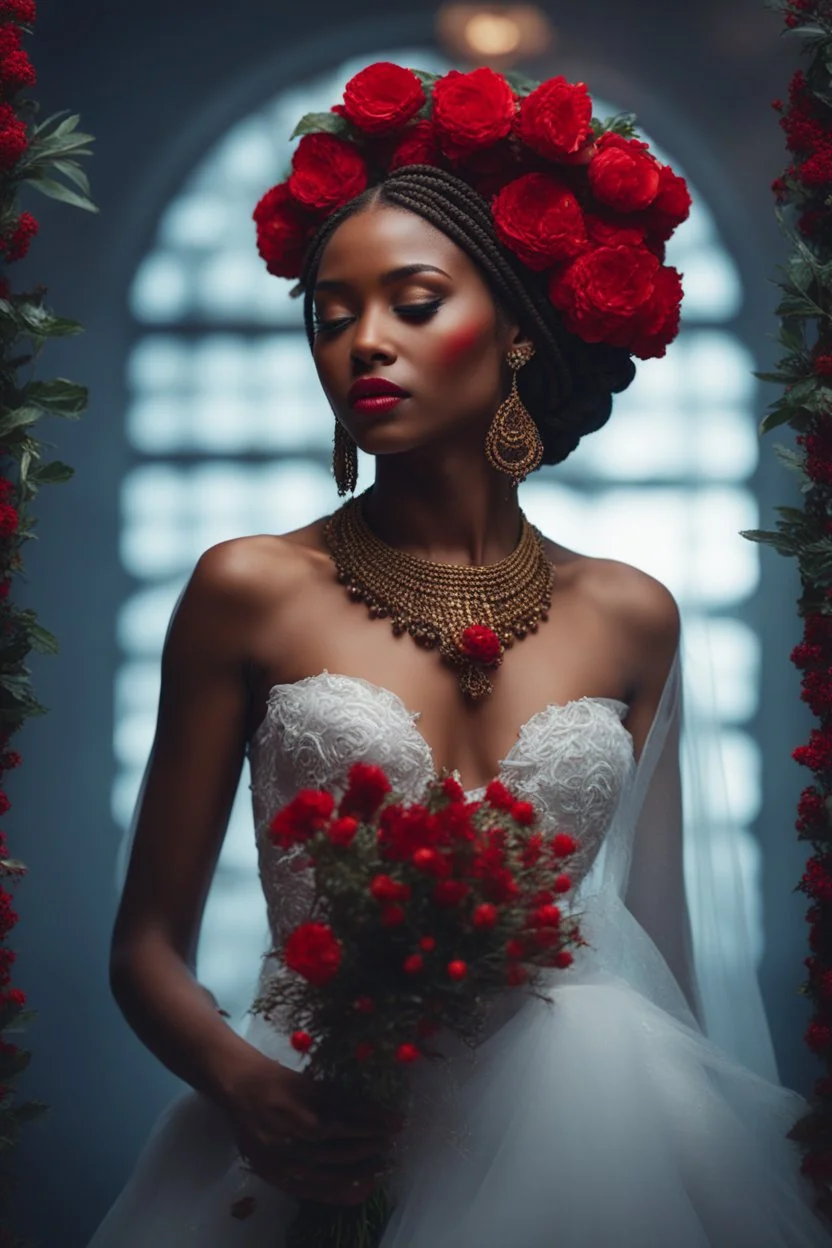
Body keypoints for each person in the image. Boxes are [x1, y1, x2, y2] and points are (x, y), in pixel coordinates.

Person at [87, 61, 832, 1246]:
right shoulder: (249, 589)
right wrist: (245, 1088)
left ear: (519, 334)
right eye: (331, 318)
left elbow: (660, 952)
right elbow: (143, 950)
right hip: (312, 1123)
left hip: (597, 1140)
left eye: (412, 302)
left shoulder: (633, 615)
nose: (362, 345)